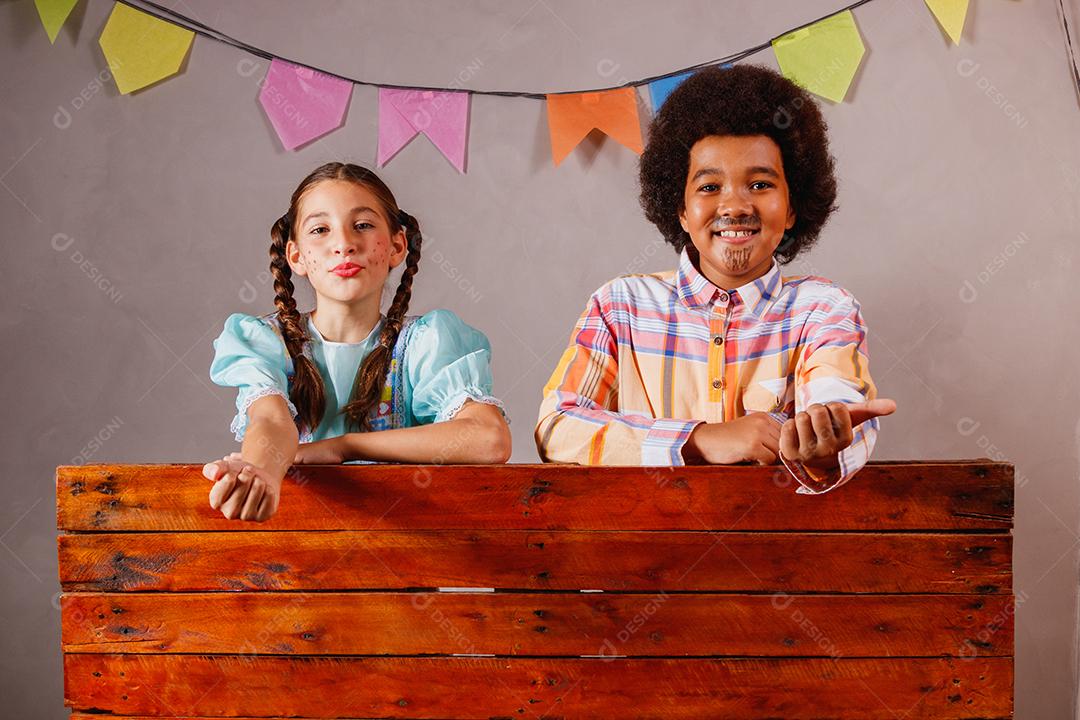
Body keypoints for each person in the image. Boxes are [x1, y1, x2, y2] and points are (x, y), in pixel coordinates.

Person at [535, 65, 896, 494]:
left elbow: (835, 400)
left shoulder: (823, 308)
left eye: (759, 184)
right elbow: (557, 425)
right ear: (681, 210)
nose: (735, 206)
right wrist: (698, 440)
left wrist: (823, 442)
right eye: (709, 187)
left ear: (792, 207)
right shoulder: (620, 306)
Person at [203, 162, 511, 521]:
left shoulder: (425, 342)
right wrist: (261, 471)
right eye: (320, 229)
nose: (344, 245)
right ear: (296, 256)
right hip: (293, 543)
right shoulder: (269, 342)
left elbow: (489, 439)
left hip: (404, 546)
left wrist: (344, 446)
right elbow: (270, 420)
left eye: (362, 225)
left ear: (397, 246)